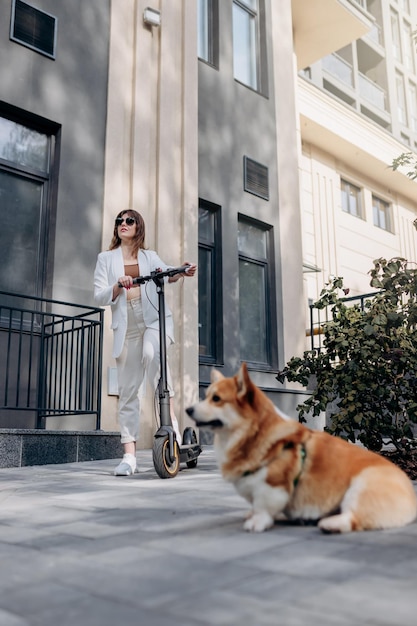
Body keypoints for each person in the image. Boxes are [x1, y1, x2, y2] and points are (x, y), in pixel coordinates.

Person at [94, 209, 196, 475]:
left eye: (129, 221)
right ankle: (129, 457)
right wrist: (118, 285)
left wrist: (181, 271)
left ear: (138, 226)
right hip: (126, 325)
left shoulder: (149, 257)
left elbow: (166, 274)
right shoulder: (106, 259)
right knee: (128, 390)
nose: (123, 224)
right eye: (119, 221)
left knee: (153, 355)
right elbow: (99, 295)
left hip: (151, 320)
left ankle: (170, 422)